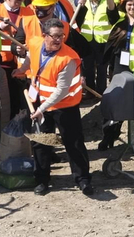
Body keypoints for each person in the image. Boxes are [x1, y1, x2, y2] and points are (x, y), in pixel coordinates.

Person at [26, 20, 92, 196]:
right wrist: (23, 69)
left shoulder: (69, 58)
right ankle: (42, 181)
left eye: (61, 36)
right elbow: (30, 57)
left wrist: (41, 109)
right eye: (54, 36)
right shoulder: (35, 43)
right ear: (44, 35)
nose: (58, 40)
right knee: (42, 142)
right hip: (41, 102)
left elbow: (61, 90)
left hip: (65, 105)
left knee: (73, 142)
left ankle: (83, 179)